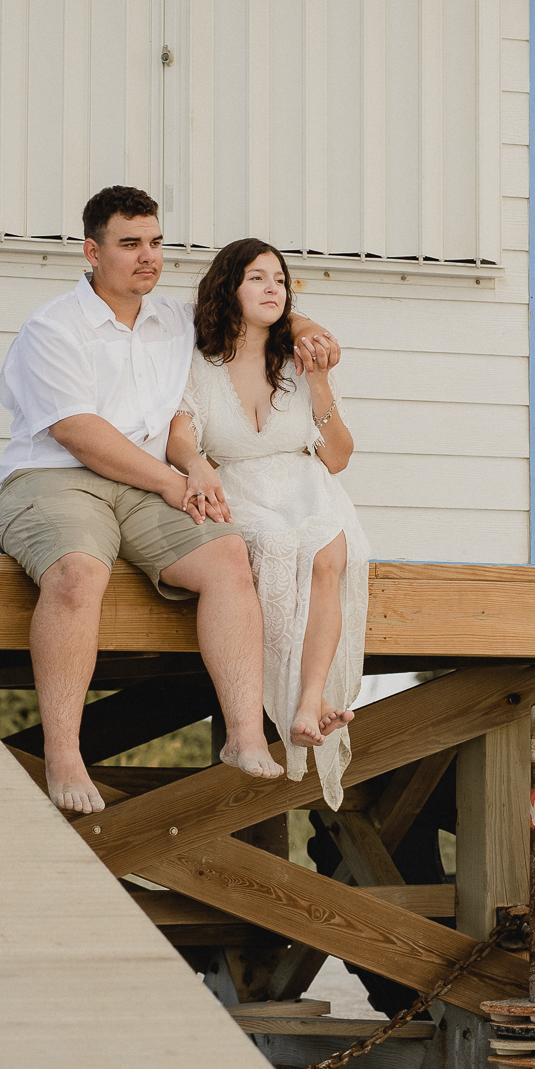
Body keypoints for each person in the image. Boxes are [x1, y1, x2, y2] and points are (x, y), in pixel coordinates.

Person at [0, 188, 341, 816]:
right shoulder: (54, 327)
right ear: (93, 251)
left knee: (229, 557)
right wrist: (173, 481)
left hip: (147, 488)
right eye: (130, 244)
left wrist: (309, 327)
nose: (147, 256)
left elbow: (253, 311)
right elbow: (78, 432)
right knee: (78, 573)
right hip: (56, 479)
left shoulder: (176, 321)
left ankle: (241, 737)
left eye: (155, 242)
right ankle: (65, 755)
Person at [169, 239, 371, 812]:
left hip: (305, 484)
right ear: (229, 288)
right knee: (276, 545)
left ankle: (310, 702)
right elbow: (180, 432)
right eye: (257, 278)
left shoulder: (296, 361)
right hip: (238, 487)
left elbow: (337, 458)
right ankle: (273, 708)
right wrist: (197, 463)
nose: (273, 288)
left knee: (330, 550)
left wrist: (322, 383)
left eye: (280, 280)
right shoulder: (198, 362)